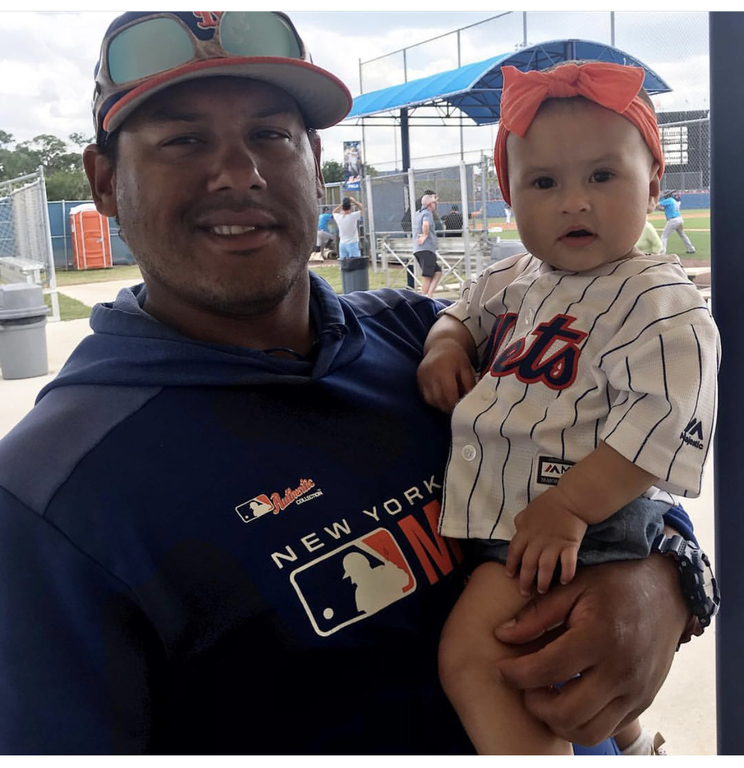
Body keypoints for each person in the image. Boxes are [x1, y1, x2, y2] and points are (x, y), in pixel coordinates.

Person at [0, 14, 709, 755]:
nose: (239, 173)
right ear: (105, 182)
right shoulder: (51, 503)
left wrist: (668, 574)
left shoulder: (420, 336)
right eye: (183, 140)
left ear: (314, 161)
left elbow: (616, 436)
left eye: (270, 134)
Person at [417, 62, 719, 755]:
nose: (574, 203)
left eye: (602, 176)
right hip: (525, 516)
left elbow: (661, 425)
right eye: (544, 183)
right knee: (561, 670)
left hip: (581, 518)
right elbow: (459, 313)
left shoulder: (658, 301)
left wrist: (572, 508)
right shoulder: (514, 276)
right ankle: (637, 748)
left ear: (653, 185)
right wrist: (445, 346)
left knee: (479, 659)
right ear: (510, 197)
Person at [412, 193, 443, 297]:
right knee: (427, 275)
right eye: (434, 203)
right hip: (426, 249)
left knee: (437, 271)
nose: (435, 205)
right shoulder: (427, 213)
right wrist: (425, 235)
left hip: (418, 250)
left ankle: (429, 294)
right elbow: (426, 224)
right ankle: (424, 297)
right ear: (430, 204)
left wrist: (433, 197)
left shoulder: (417, 213)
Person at [658, 190, 696, 255]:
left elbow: (657, 204)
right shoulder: (673, 201)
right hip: (679, 219)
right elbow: (663, 209)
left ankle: (662, 253)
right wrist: (658, 207)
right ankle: (691, 249)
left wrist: (654, 202)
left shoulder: (668, 200)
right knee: (682, 235)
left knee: (664, 236)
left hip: (673, 220)